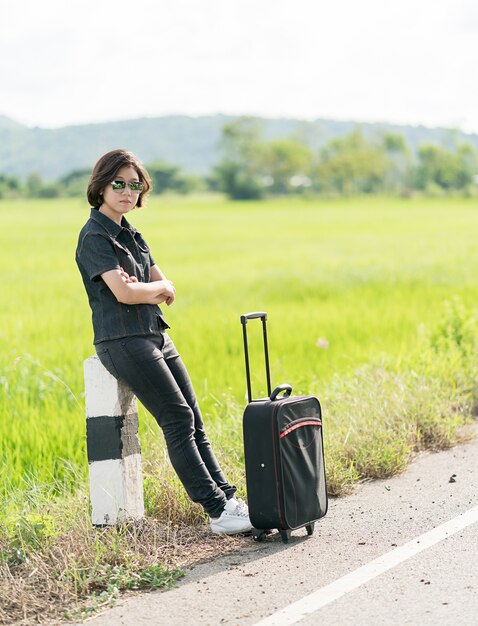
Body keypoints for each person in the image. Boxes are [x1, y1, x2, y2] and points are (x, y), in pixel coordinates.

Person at [76, 149, 252, 535]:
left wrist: (151, 288)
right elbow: (124, 293)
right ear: (101, 186)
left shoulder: (132, 235)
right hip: (123, 340)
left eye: (134, 184)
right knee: (177, 418)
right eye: (118, 183)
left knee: (194, 417)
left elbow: (163, 284)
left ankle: (228, 498)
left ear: (142, 191)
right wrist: (148, 288)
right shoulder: (94, 237)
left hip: (154, 334)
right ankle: (217, 509)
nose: (126, 191)